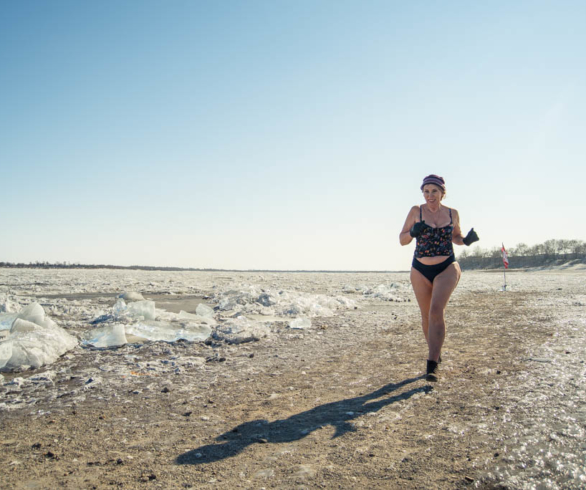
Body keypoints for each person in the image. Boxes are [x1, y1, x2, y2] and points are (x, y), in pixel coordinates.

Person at [399, 174, 479, 381]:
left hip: (447, 266)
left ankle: (432, 364)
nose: (430, 195)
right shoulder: (416, 211)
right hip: (420, 269)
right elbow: (402, 240)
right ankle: (436, 351)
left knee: (436, 310)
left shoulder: (453, 214)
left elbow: (456, 237)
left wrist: (466, 240)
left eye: (434, 191)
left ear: (443, 192)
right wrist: (413, 232)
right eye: (426, 191)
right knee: (426, 316)